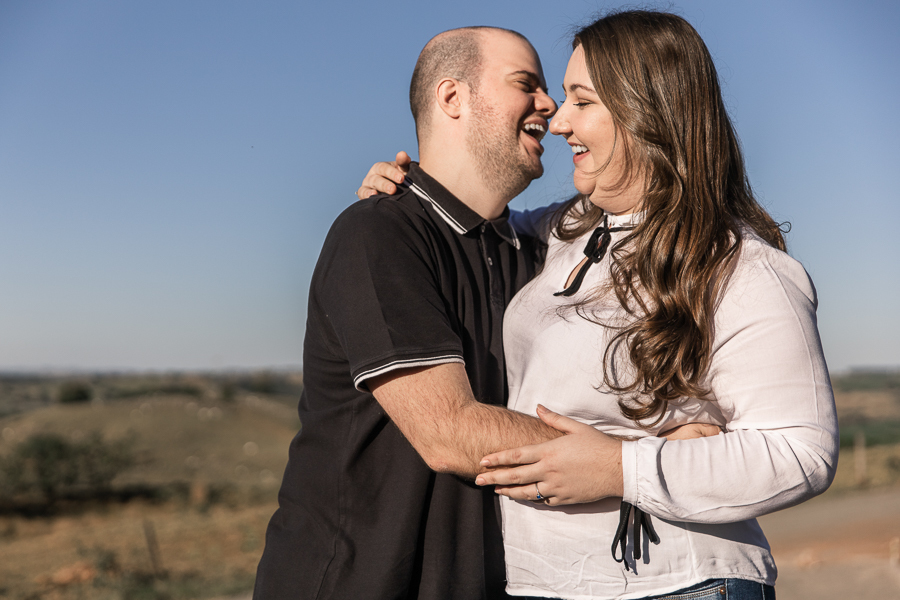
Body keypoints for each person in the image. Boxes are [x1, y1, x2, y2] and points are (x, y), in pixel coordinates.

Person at [357, 10, 838, 600]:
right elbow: (468, 211)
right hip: (544, 583)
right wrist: (410, 194)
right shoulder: (561, 234)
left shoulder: (742, 267)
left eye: (581, 101)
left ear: (646, 111)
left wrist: (624, 467)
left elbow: (802, 452)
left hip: (677, 583)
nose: (558, 122)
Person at [254, 26, 572, 600]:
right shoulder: (378, 232)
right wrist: (632, 459)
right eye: (527, 84)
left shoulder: (534, 255)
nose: (551, 106)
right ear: (452, 98)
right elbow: (449, 433)